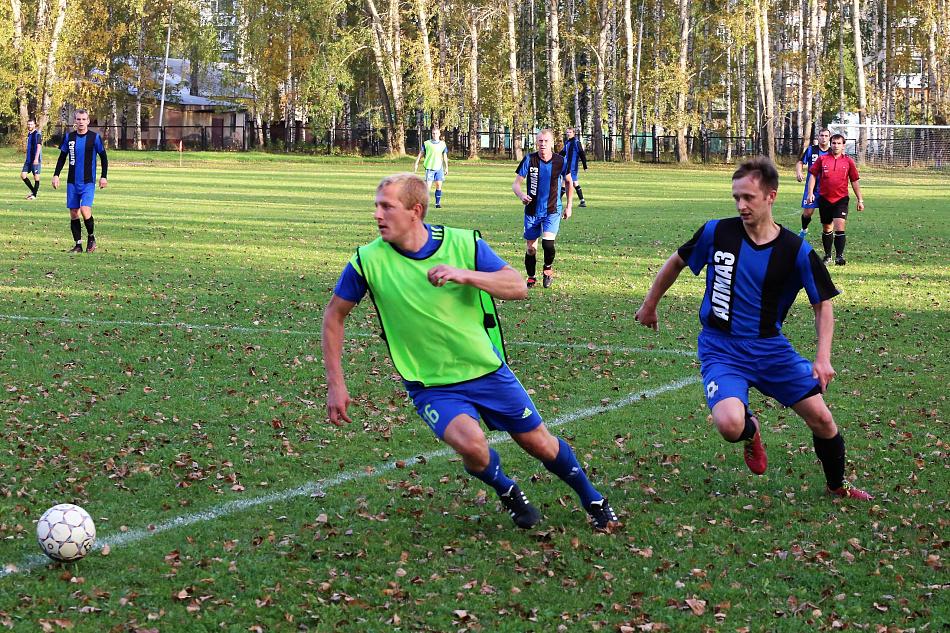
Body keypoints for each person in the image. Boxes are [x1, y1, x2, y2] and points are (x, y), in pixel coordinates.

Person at [323, 173, 618, 530]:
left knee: (541, 445)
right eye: (376, 206)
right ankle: (506, 489)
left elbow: (516, 287)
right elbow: (334, 316)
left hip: (486, 371)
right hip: (431, 383)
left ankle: (592, 498)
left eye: (387, 206)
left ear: (415, 211)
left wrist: (465, 275)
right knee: (473, 447)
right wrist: (336, 384)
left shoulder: (463, 244)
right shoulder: (367, 260)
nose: (377, 215)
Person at [634, 156, 872, 501]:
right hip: (721, 348)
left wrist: (823, 358)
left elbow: (823, 304)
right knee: (730, 425)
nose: (741, 205)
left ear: (771, 196)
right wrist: (649, 304)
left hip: (770, 349)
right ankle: (751, 432)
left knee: (822, 419)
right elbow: (676, 262)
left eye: (748, 197)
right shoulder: (717, 231)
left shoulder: (796, 250)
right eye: (736, 198)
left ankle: (838, 485)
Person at [512, 129, 573, 289]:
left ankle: (547, 269)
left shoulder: (561, 161)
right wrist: (522, 196)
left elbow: (569, 181)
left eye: (546, 141)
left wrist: (569, 205)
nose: (543, 144)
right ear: (537, 142)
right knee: (531, 249)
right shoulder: (529, 159)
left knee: (548, 244)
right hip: (532, 210)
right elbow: (516, 184)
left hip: (552, 209)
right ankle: (531, 277)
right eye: (540, 141)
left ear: (552, 143)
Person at [52, 110, 108, 253]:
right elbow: (62, 158)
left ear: (88, 121)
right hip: (72, 181)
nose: (81, 121)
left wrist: (103, 176)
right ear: (75, 121)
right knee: (74, 213)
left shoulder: (95, 138)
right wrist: (56, 175)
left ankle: (91, 237)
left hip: (88, 181)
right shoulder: (69, 137)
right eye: (78, 119)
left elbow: (104, 157)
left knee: (84, 210)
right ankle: (78, 245)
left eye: (84, 119)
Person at [806, 134, 864, 266]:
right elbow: (813, 176)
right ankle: (827, 255)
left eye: (839, 143)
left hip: (841, 199)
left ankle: (839, 256)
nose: (836, 146)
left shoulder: (848, 162)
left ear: (843, 146)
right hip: (824, 198)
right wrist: (810, 193)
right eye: (834, 143)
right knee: (827, 228)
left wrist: (860, 200)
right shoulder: (822, 159)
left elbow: (854, 181)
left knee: (840, 227)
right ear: (830, 144)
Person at [795, 127, 831, 239]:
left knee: (827, 217)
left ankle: (828, 235)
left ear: (829, 138)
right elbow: (800, 162)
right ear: (818, 137)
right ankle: (804, 229)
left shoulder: (832, 152)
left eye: (826, 136)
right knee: (807, 213)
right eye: (821, 135)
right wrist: (799, 172)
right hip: (812, 188)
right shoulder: (811, 150)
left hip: (827, 189)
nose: (823, 138)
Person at [413, 128, 449, 208]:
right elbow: (421, 153)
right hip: (430, 167)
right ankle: (424, 203)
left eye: (436, 133)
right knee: (427, 187)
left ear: (439, 134)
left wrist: (446, 167)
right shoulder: (427, 143)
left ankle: (437, 203)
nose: (435, 135)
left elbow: (445, 155)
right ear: (431, 134)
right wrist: (416, 162)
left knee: (438, 185)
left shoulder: (443, 144)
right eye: (433, 133)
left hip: (439, 167)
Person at [559, 127, 588, 207]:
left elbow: (582, 154)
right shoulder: (567, 142)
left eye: (570, 132)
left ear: (573, 133)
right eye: (567, 132)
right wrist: (555, 157)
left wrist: (585, 166)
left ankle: (557, 200)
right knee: (575, 183)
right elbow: (563, 152)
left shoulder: (576, 142)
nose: (568, 133)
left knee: (564, 182)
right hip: (567, 166)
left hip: (573, 166)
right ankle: (582, 201)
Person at [21, 118, 43, 200]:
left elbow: (38, 147)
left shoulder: (37, 134)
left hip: (35, 160)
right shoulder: (29, 134)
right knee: (23, 175)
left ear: (35, 125)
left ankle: (34, 195)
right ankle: (33, 191)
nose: (29, 126)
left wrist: (36, 158)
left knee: (36, 177)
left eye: (31, 124)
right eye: (28, 124)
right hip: (28, 160)